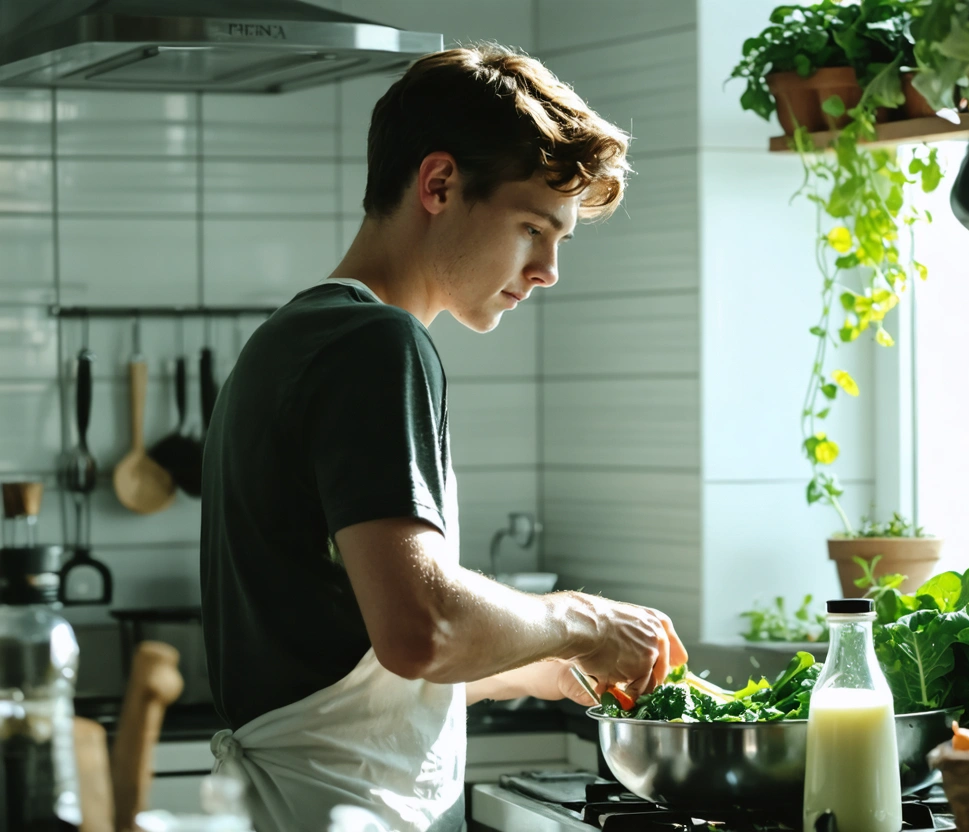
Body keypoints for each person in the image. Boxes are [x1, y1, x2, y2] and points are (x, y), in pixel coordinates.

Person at [199, 44, 688, 832]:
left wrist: (543, 670)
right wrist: (586, 620)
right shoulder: (377, 344)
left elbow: (348, 674)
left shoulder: (292, 339)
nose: (547, 271)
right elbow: (420, 631)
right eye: (534, 227)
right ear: (439, 185)